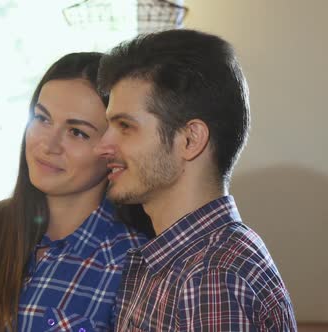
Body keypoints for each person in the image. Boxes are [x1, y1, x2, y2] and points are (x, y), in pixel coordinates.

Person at [0, 52, 152, 332]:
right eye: (42, 119)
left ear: (111, 150)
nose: (49, 144)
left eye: (77, 132)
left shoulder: (133, 261)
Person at [95, 29, 297, 331]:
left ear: (190, 140)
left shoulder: (211, 274)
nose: (102, 145)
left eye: (125, 126)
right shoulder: (189, 260)